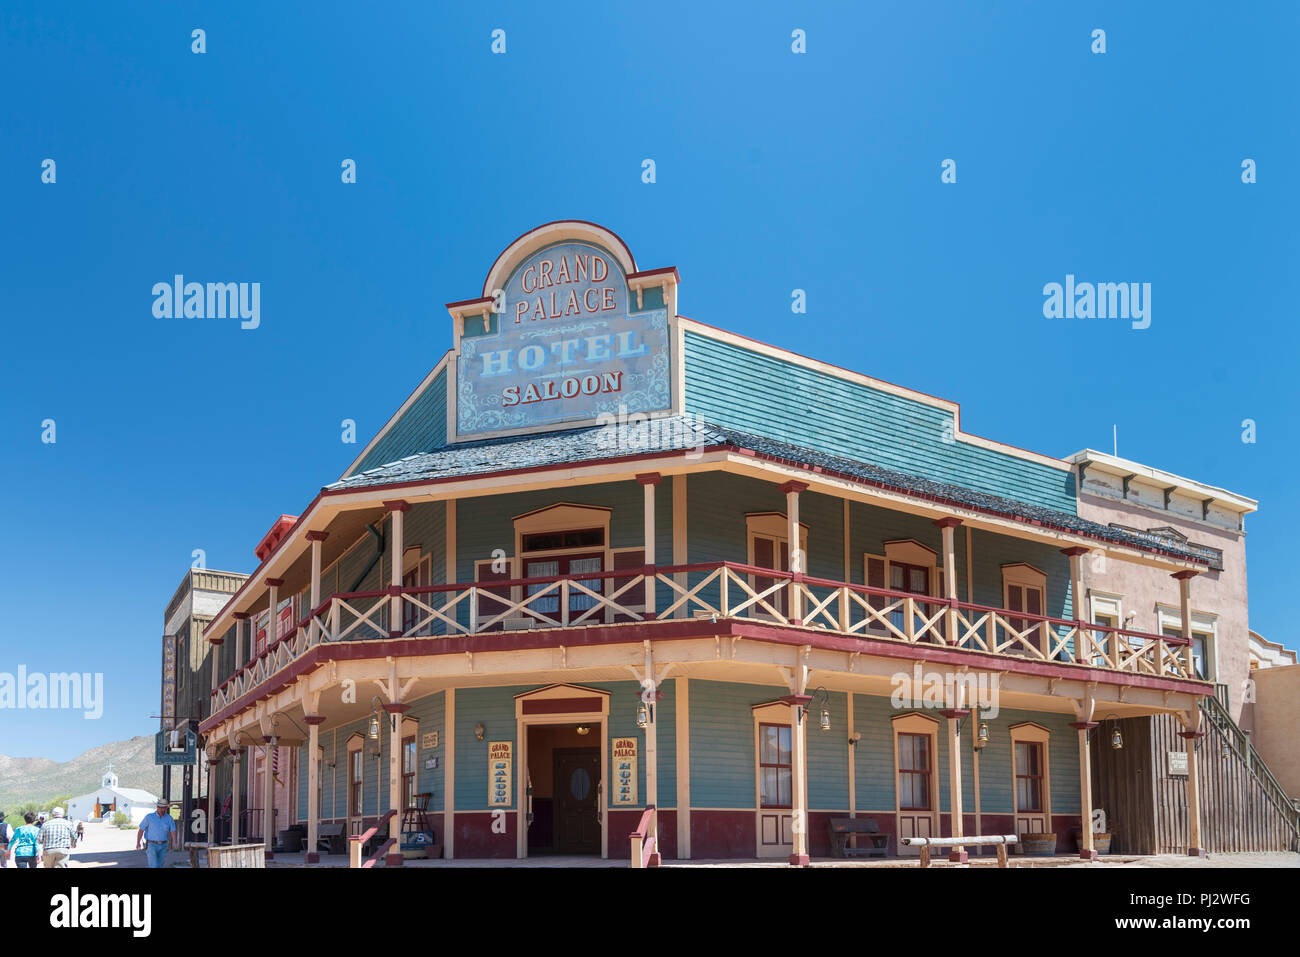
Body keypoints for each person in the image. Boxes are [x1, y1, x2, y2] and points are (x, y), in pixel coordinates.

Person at [136, 800, 176, 868]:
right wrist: (138, 842)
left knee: (160, 865)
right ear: (157, 807)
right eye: (160, 807)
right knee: (153, 866)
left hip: (163, 845)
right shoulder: (149, 817)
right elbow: (141, 830)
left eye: (164, 807)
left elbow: (173, 830)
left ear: (166, 808)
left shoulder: (169, 818)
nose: (162, 809)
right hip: (151, 845)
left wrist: (175, 842)